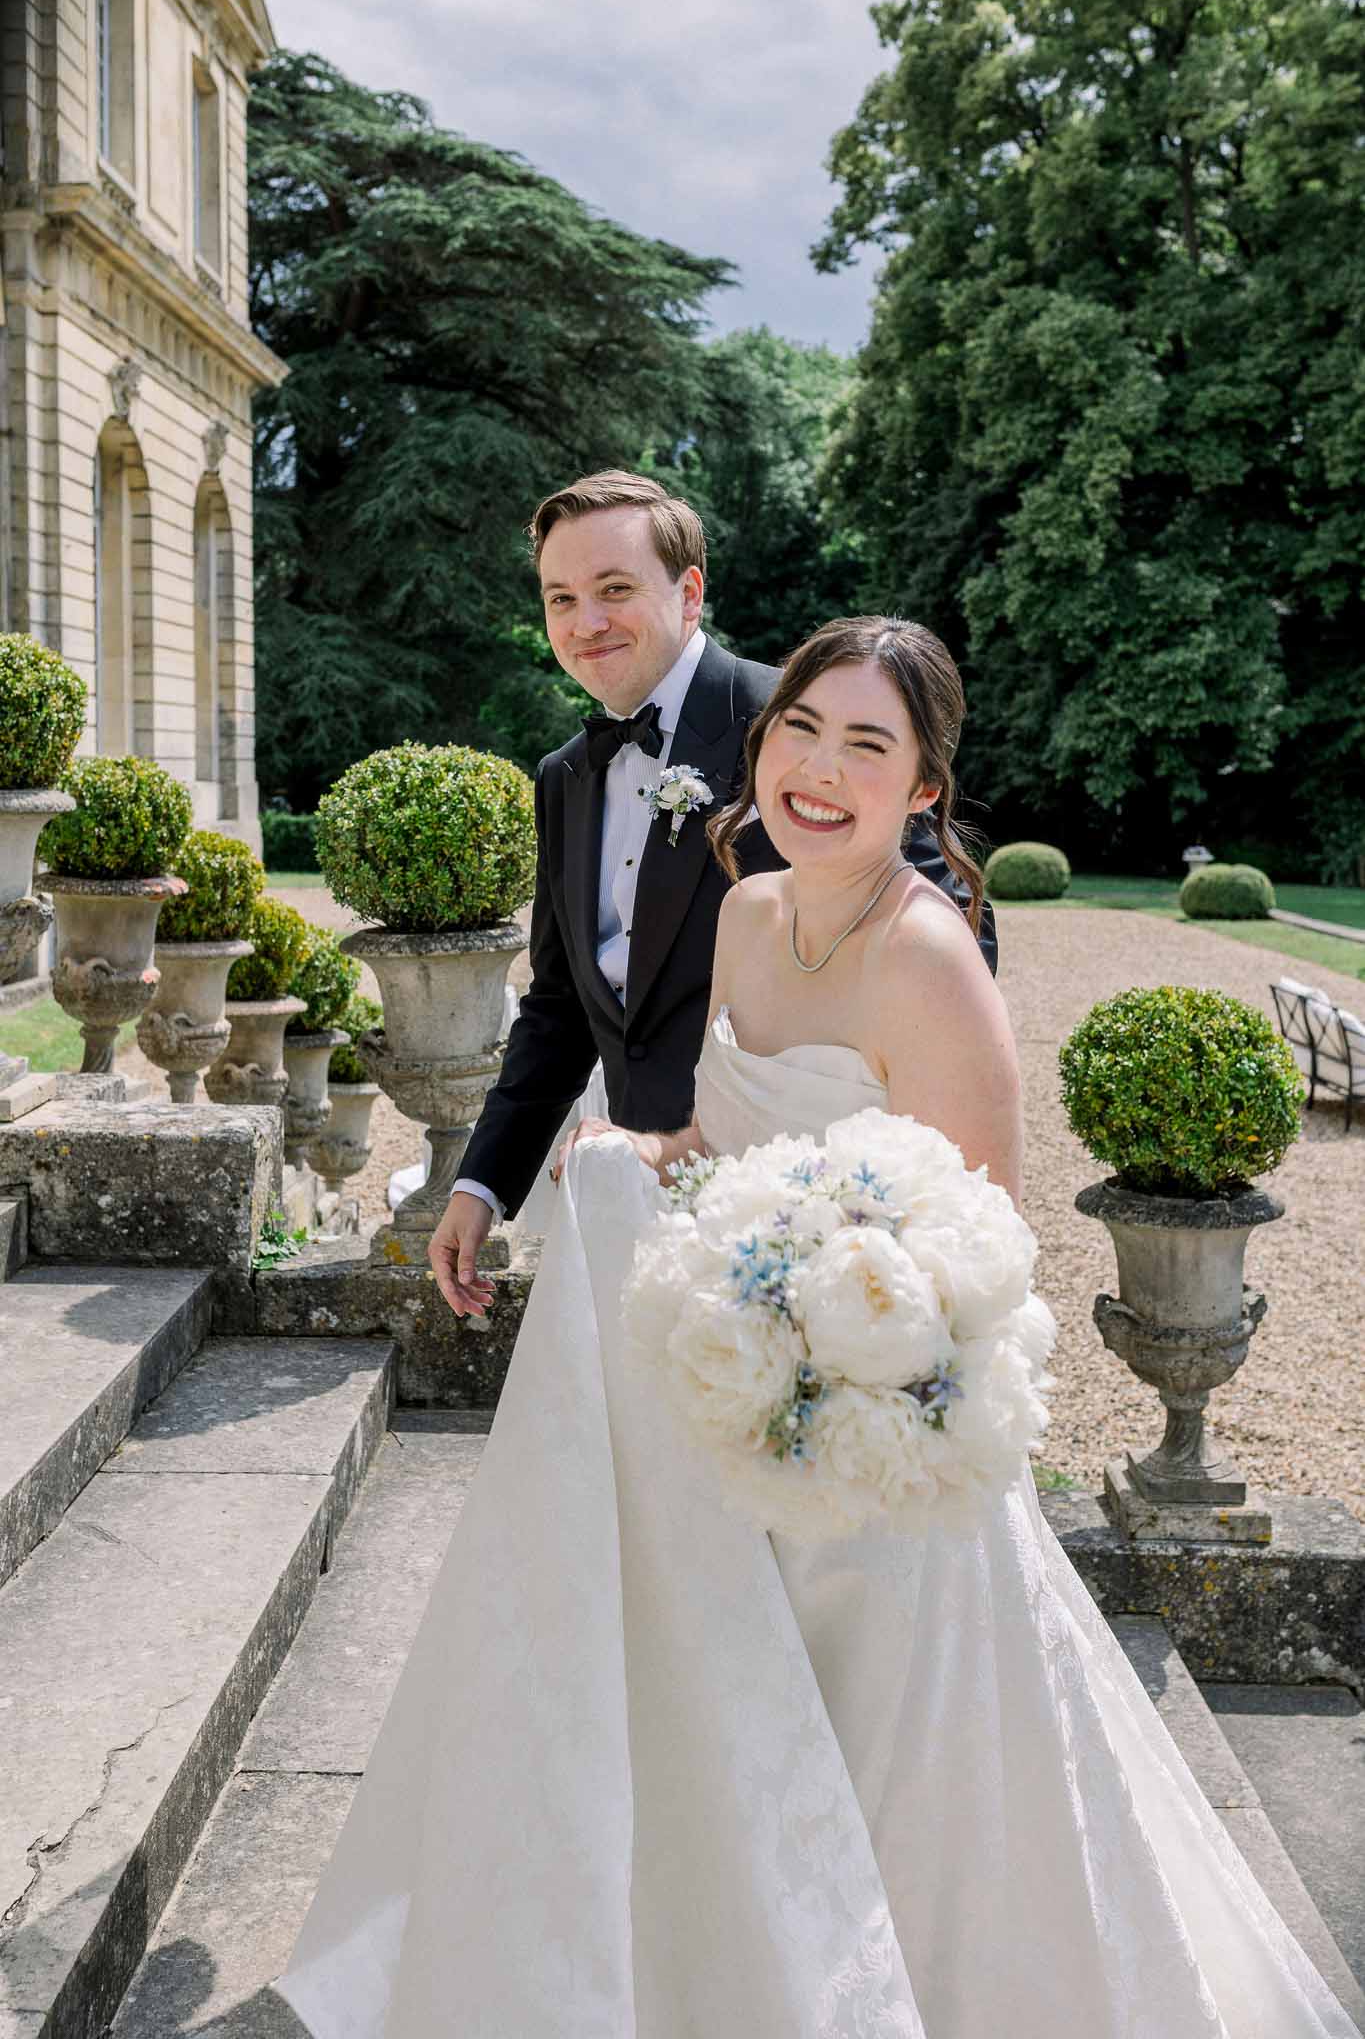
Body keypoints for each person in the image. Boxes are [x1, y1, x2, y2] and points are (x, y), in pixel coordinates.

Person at [275, 617, 1360, 2038]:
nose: (820, 767)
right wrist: (617, 1156)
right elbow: (720, 1149)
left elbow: (983, 1252)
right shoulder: (742, 909)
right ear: (761, 742)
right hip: (744, 1415)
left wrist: (826, 1341)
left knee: (890, 1774)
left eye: (869, 745)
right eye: (800, 729)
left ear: (922, 789)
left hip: (881, 1445)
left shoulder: (932, 961)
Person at [426, 468, 996, 1319]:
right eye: (560, 598)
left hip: (818, 1218)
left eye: (614, 589)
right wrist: (483, 1181)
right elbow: (560, 1004)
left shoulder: (794, 722)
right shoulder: (562, 777)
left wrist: (866, 1206)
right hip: (636, 1190)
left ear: (689, 593)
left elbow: (953, 939)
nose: (585, 623)